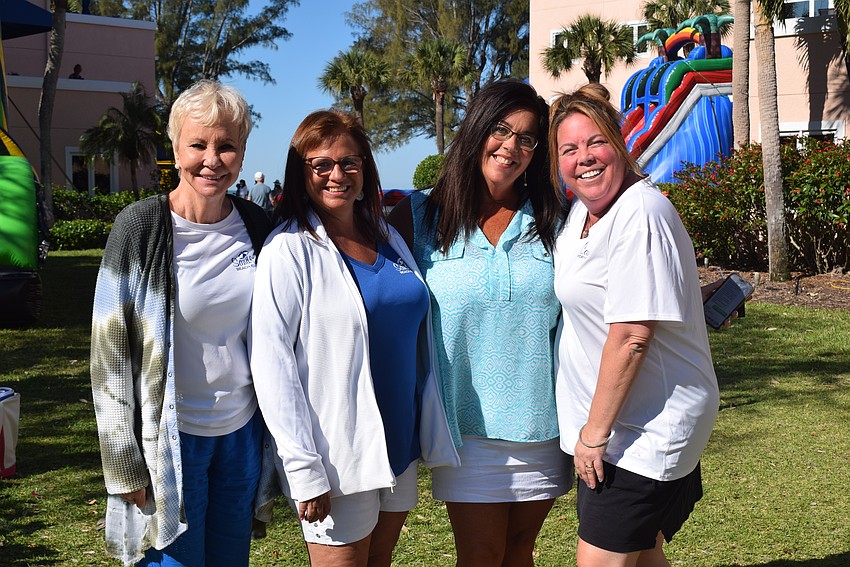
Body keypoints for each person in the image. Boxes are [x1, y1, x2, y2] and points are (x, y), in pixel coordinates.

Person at [249, 109, 459, 567]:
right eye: (321, 164)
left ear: (365, 168)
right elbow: (271, 366)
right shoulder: (288, 250)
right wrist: (304, 470)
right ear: (300, 173)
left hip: (399, 447)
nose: (337, 174)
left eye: (349, 162)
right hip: (337, 455)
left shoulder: (387, 236)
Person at [90, 79, 274, 566]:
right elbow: (109, 354)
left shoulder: (258, 228)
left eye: (227, 145)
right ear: (174, 150)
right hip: (169, 440)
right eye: (198, 145)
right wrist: (123, 463)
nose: (212, 159)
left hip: (241, 434)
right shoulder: (139, 227)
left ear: (242, 153)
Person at [388, 79, 571, 566]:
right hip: (462, 429)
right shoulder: (419, 215)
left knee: (520, 552)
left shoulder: (556, 218)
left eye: (527, 138)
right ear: (476, 130)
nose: (511, 146)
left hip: (543, 425)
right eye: (500, 130)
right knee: (480, 554)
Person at [548, 83, 720, 567]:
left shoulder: (639, 211)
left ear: (620, 144)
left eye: (596, 142)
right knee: (643, 557)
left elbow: (631, 337)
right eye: (569, 148)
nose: (584, 157)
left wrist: (592, 436)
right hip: (620, 426)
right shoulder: (582, 213)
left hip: (640, 433)